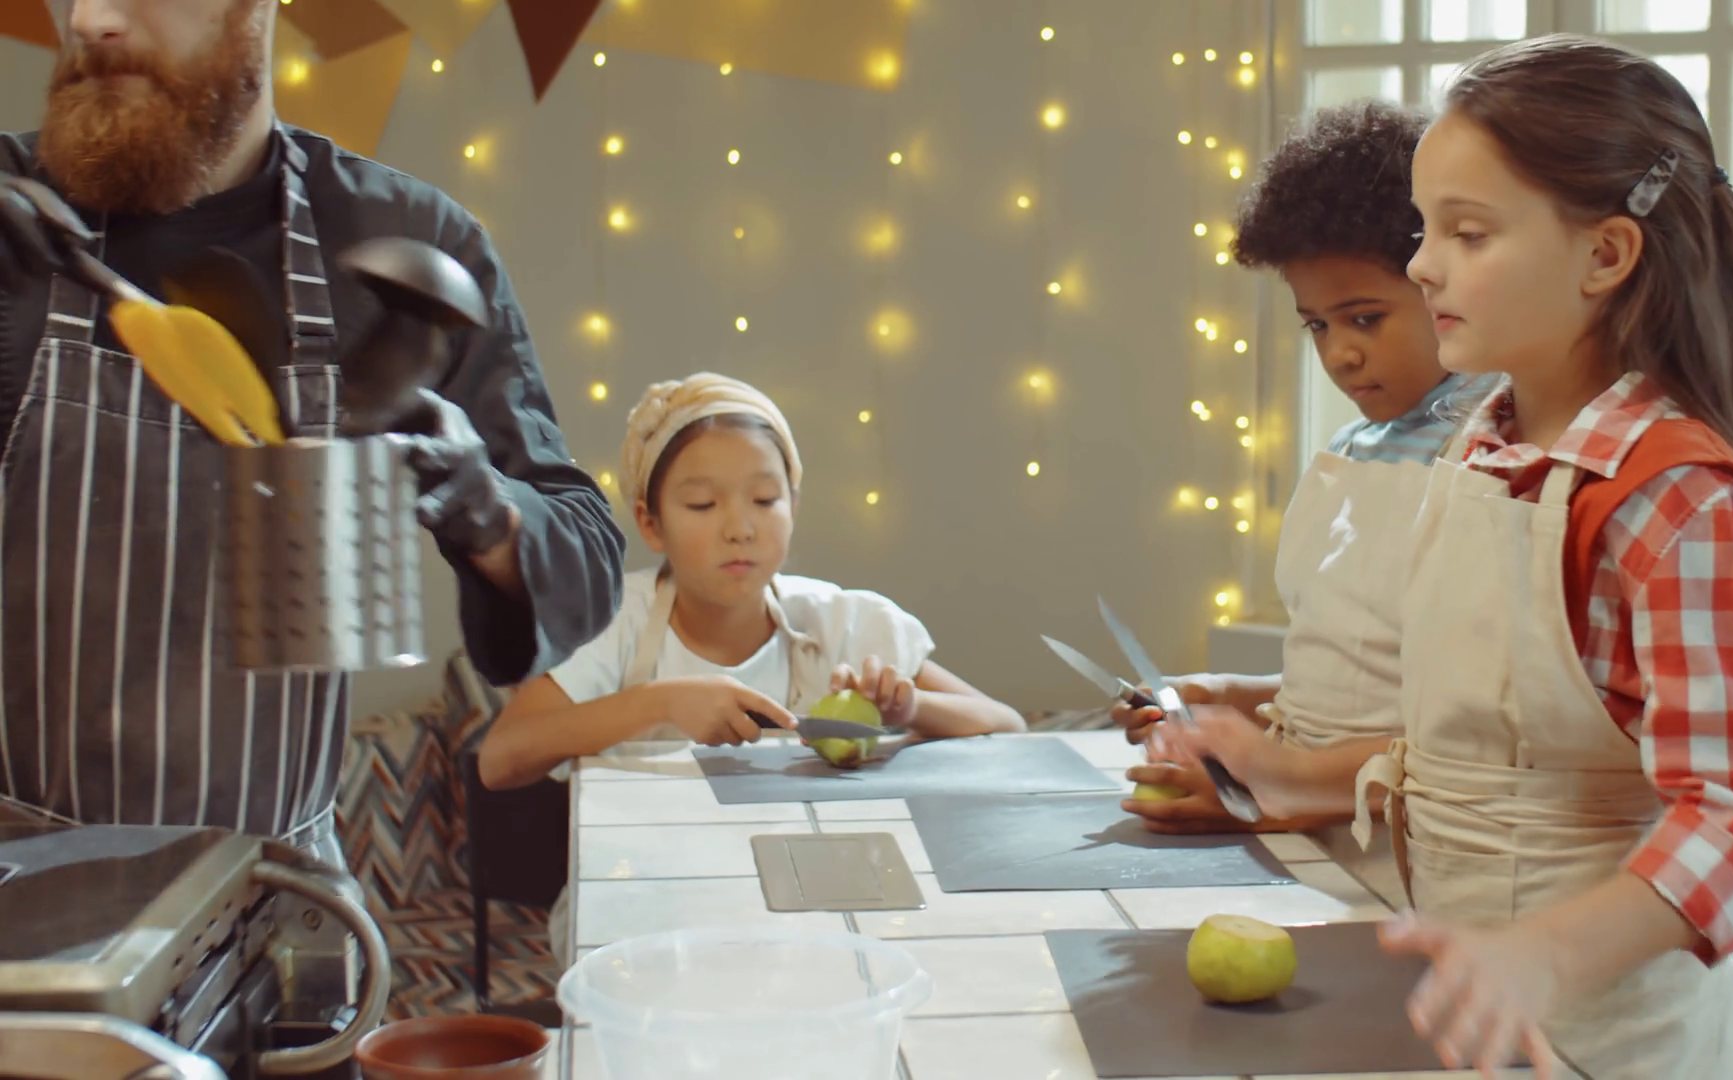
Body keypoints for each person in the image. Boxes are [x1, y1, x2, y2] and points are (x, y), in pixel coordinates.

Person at [1155, 34, 1733, 1078]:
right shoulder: (1479, 451)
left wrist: (1545, 956)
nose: (1424, 263)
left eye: (1467, 232)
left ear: (1606, 256)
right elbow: (1469, 740)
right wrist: (1277, 768)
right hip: (1463, 1023)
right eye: (1426, 229)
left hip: (1612, 1043)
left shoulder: (1681, 502)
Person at [0, 0, 626, 867]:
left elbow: (589, 564)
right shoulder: (12, 226)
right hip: (20, 901)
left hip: (280, 904)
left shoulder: (407, 239)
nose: (90, 18)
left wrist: (488, 512)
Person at [480, 373, 1024, 953]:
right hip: (645, 916)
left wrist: (909, 708)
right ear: (650, 522)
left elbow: (1007, 728)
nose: (740, 529)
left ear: (794, 506)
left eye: (765, 500)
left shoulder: (843, 623)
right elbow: (501, 759)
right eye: (702, 504)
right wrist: (660, 703)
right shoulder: (611, 621)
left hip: (815, 918)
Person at [1112, 100, 1496, 909]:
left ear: (1442, 280)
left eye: (1365, 318)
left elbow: (1474, 746)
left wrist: (1276, 784)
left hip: (1417, 875)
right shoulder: (1354, 451)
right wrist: (1232, 695)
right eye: (1316, 325)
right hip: (1314, 854)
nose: (1341, 353)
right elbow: (1357, 677)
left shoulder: (1495, 462)